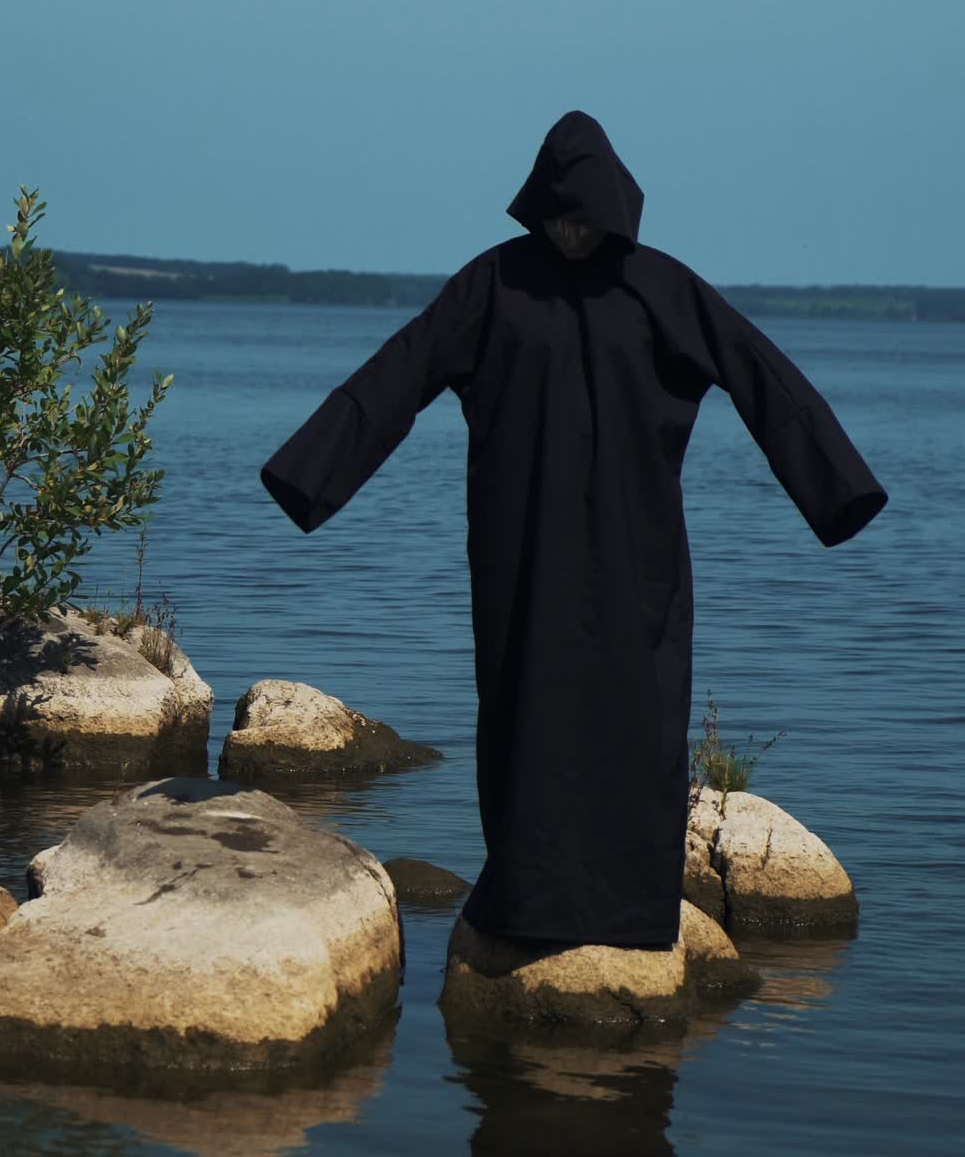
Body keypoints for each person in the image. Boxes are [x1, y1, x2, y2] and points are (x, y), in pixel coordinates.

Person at [261, 110, 887, 949]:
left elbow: (761, 376)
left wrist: (837, 492)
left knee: (640, 721)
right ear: (535, 206)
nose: (569, 229)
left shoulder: (662, 289)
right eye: (557, 213)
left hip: (639, 551)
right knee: (527, 712)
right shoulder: (493, 286)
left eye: (583, 215)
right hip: (522, 545)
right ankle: (526, 900)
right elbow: (397, 374)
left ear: (613, 209)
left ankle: (631, 911)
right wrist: (308, 474)